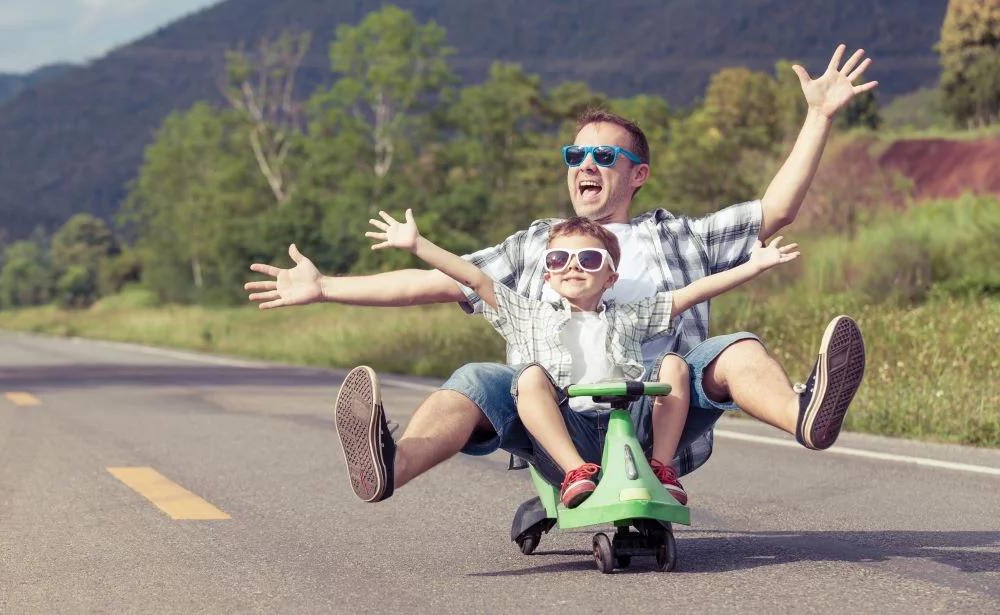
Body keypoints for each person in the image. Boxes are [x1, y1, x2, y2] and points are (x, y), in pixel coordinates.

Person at [246, 44, 873, 504]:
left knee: (734, 348)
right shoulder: (538, 245)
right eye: (576, 154)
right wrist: (326, 287)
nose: (586, 163)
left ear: (637, 175)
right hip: (557, 423)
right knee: (477, 379)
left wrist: (818, 116)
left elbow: (776, 210)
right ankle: (389, 463)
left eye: (605, 154)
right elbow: (444, 281)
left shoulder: (678, 235)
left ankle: (805, 416)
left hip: (663, 418)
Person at [363, 209, 799, 507]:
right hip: (566, 435)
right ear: (548, 274)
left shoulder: (629, 316)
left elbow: (690, 294)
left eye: (589, 259)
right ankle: (576, 474)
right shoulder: (527, 314)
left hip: (631, 429)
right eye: (560, 258)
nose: (574, 266)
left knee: (673, 364)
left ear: (611, 276)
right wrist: (418, 244)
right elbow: (474, 278)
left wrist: (753, 266)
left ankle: (662, 469)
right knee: (530, 378)